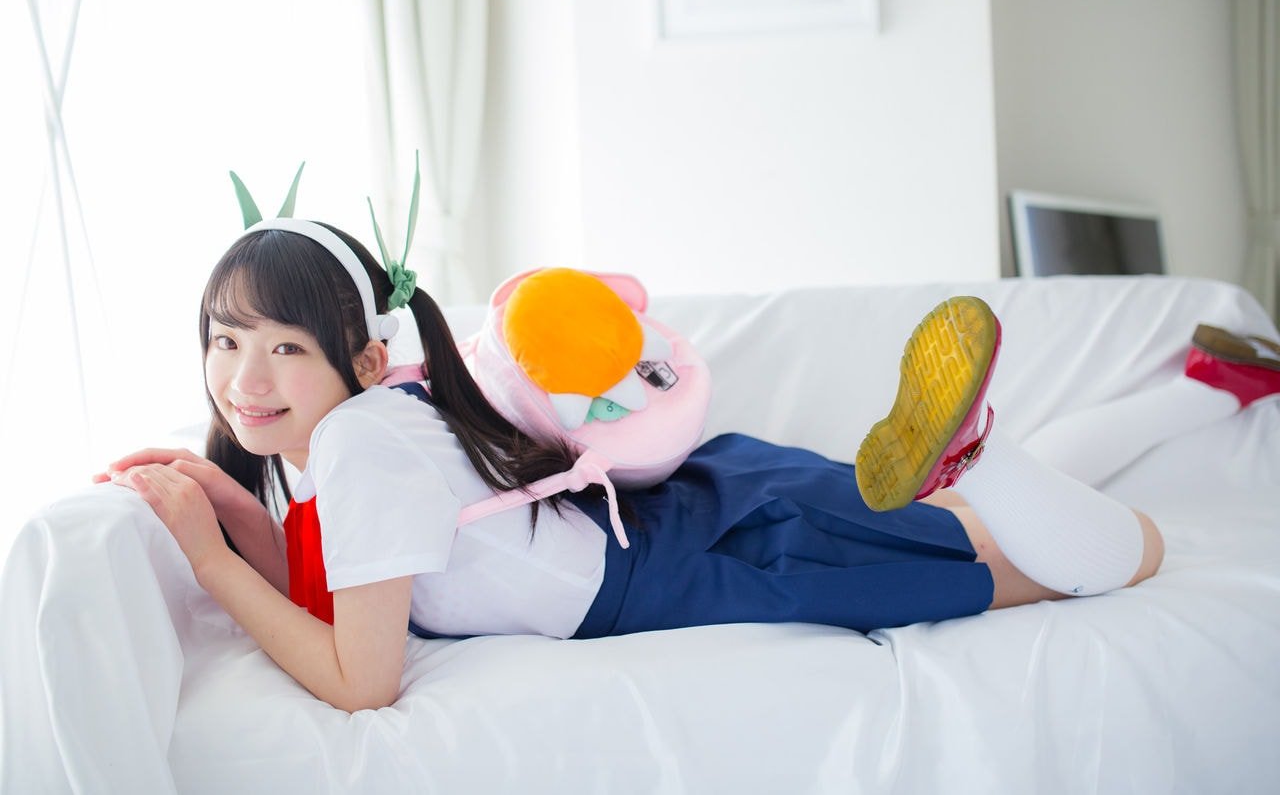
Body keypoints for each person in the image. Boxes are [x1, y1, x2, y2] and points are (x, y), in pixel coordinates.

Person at [96, 218, 1184, 713]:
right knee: (975, 526)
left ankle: (979, 452)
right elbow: (329, 576)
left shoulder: (355, 443)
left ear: (363, 358)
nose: (244, 377)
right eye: (225, 340)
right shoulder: (349, 428)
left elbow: (359, 679)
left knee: (1101, 562)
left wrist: (209, 557)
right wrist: (225, 495)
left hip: (693, 562)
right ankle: (1193, 391)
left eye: (284, 348)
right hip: (681, 507)